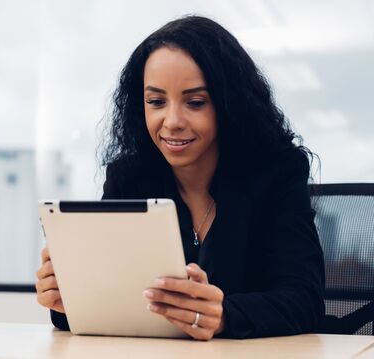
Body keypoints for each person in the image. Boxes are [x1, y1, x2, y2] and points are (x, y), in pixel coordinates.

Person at [35, 15, 325, 340]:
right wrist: (67, 300)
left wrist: (225, 316)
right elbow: (111, 305)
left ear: (228, 104)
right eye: (156, 102)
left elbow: (305, 301)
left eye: (195, 102)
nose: (171, 121)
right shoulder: (128, 178)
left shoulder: (277, 173)